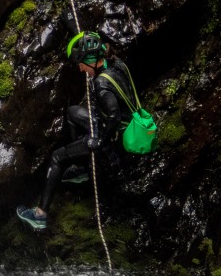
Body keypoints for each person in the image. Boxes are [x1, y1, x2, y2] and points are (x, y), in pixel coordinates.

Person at [16, 30, 134, 230]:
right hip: (121, 125)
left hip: (112, 136)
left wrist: (99, 141)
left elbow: (113, 115)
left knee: (56, 157)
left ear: (90, 60)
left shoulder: (101, 84)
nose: (80, 69)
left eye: (80, 64)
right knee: (72, 112)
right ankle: (82, 168)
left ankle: (40, 214)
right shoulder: (116, 64)